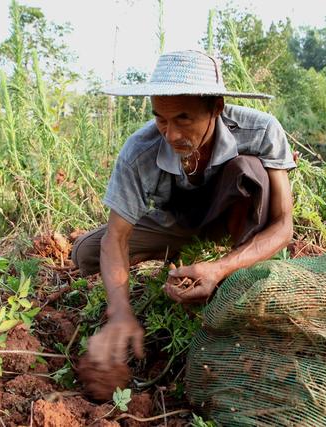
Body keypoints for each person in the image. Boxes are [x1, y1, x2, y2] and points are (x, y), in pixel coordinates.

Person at [72, 50, 296, 374]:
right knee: (87, 251)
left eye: (183, 119)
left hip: (232, 217)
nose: (171, 134)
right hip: (177, 222)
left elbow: (283, 226)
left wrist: (219, 269)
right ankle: (178, 253)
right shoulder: (140, 150)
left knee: (249, 171)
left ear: (216, 108)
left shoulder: (260, 131)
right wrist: (120, 311)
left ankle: (239, 278)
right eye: (161, 119)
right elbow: (116, 238)